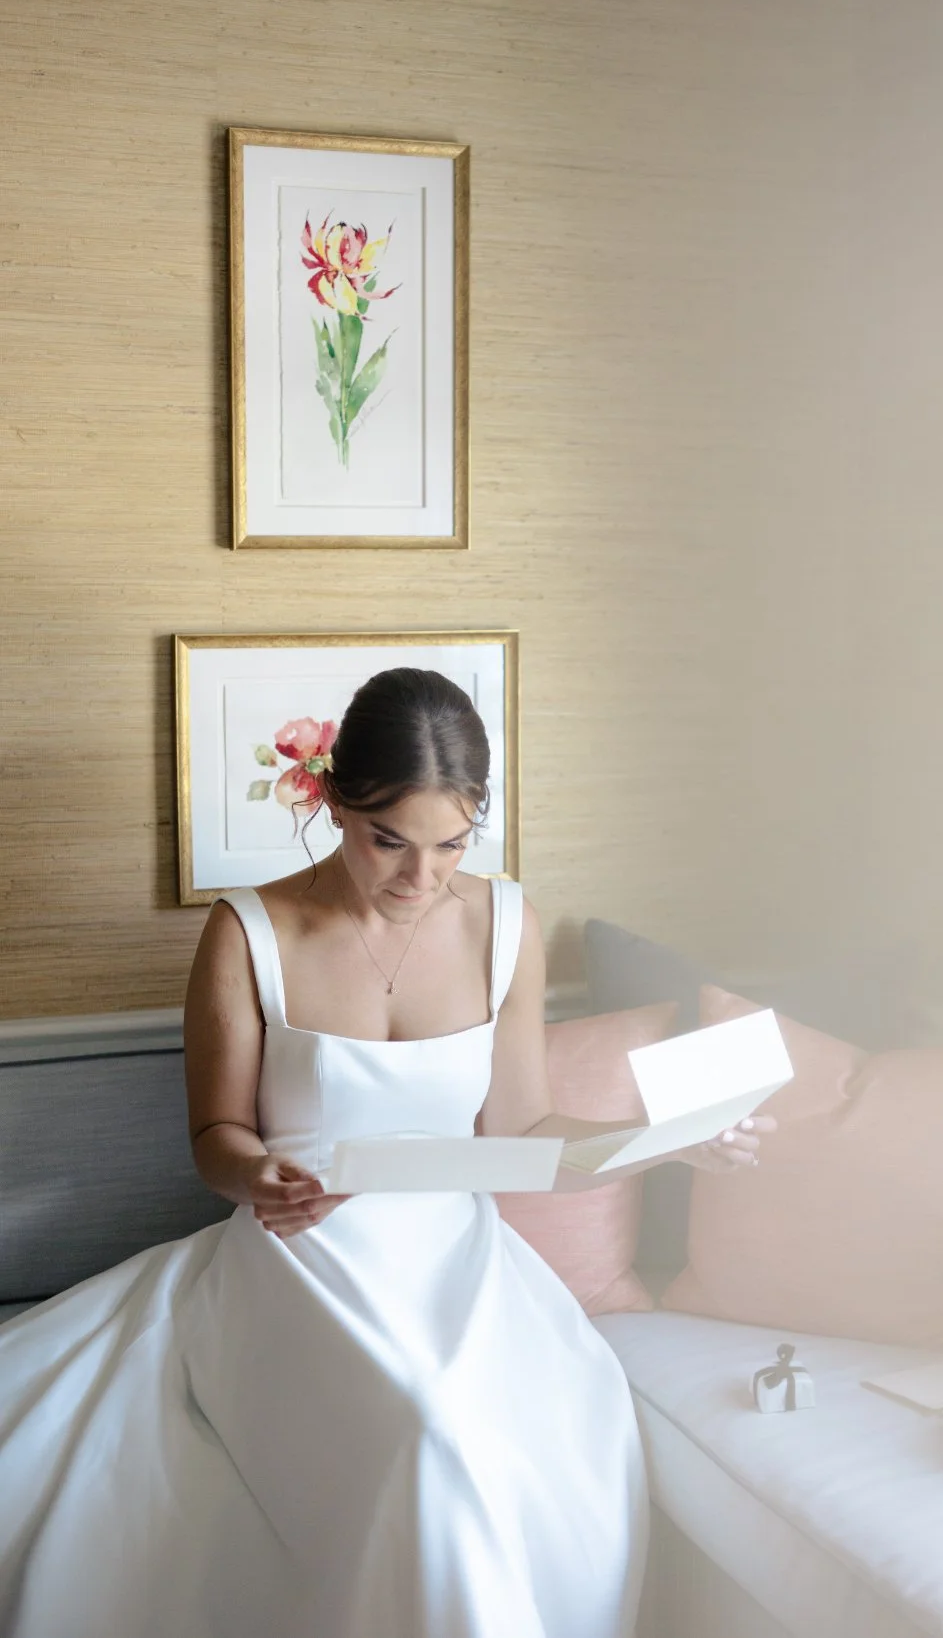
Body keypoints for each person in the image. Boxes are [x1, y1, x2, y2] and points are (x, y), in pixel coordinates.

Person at [0, 667, 773, 1638]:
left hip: (460, 1265)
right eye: (388, 841)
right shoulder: (248, 931)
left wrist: (663, 1148)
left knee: (468, 1432)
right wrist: (257, 1175)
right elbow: (214, 1137)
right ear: (332, 802)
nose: (420, 878)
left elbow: (525, 1133)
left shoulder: (505, 926)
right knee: (426, 1431)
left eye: (452, 844)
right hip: (299, 1259)